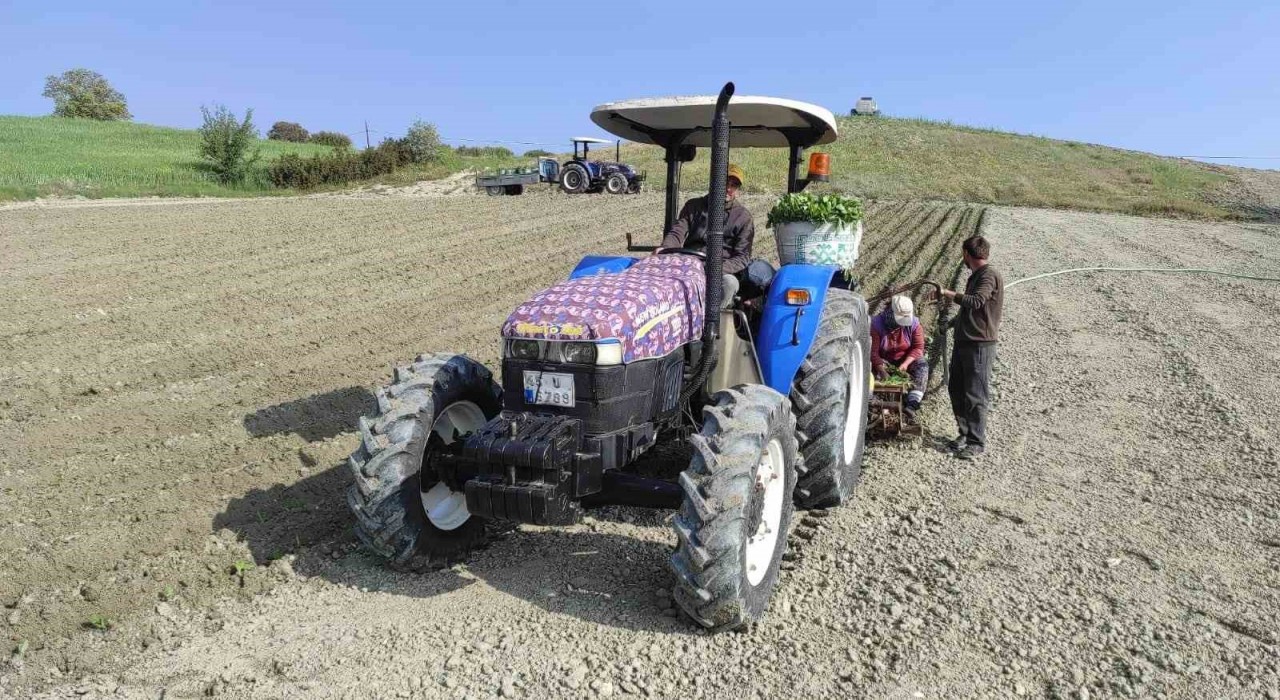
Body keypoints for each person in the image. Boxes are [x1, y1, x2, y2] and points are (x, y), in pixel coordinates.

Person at [655, 164, 774, 301]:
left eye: (733, 185)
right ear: (714, 182)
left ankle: (714, 321)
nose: (728, 189)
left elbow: (742, 257)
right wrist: (665, 248)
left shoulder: (743, 217)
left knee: (729, 284)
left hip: (721, 271)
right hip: (690, 264)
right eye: (724, 183)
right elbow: (677, 232)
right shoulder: (694, 206)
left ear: (737, 190)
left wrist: (716, 269)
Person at [939, 235, 1004, 460]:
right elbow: (970, 310)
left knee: (975, 394)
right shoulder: (976, 275)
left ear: (967, 254)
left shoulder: (988, 276)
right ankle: (964, 433)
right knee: (956, 388)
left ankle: (977, 442)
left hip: (979, 344)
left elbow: (976, 302)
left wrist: (950, 294)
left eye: (963, 254)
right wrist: (951, 324)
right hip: (964, 340)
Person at [871, 295, 927, 423]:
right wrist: (881, 369)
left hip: (904, 359)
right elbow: (872, 352)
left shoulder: (914, 324)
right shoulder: (876, 325)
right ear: (891, 312)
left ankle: (912, 403)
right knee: (871, 371)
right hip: (883, 360)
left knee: (922, 365)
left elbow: (918, 348)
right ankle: (874, 403)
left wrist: (906, 364)